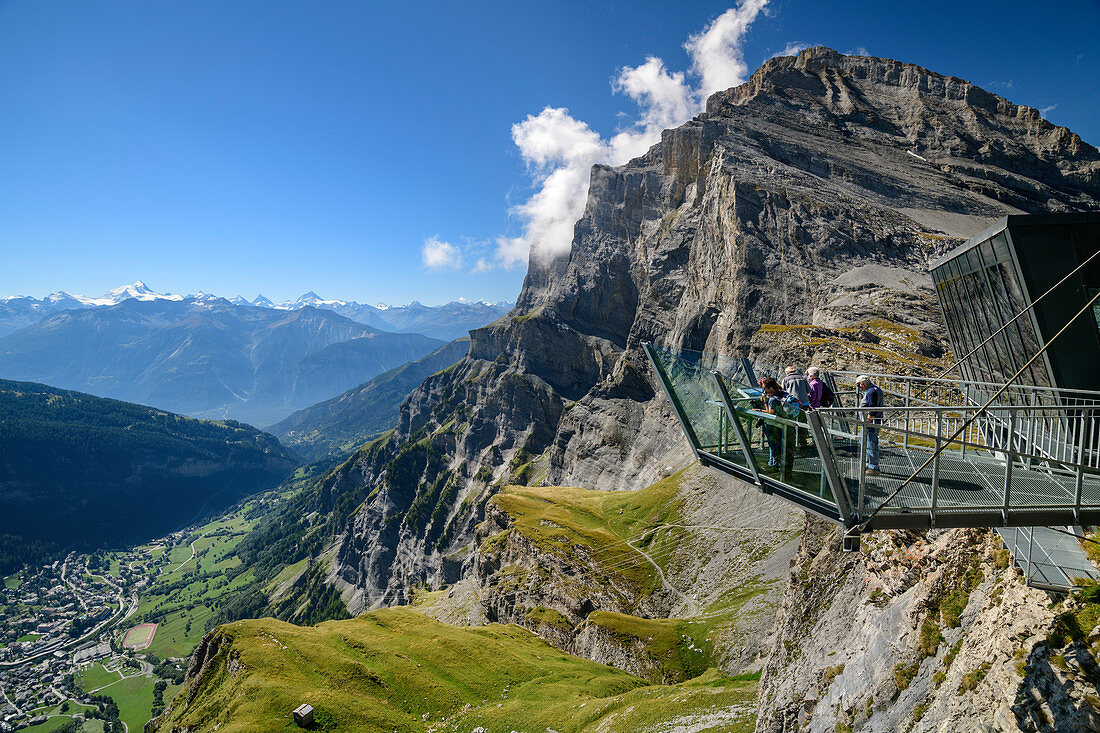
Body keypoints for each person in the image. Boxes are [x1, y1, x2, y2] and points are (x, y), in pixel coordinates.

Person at [760, 377, 799, 478]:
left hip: (776, 429)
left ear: (771, 389)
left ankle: (776, 469)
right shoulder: (784, 393)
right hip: (789, 426)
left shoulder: (773, 399)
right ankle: (787, 473)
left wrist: (764, 403)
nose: (764, 391)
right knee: (788, 451)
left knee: (776, 449)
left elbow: (771, 413)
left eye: (765, 389)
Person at [857, 375, 883, 475]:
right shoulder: (876, 389)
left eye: (859, 385)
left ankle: (873, 468)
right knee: (865, 443)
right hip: (872, 422)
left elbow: (872, 409)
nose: (859, 387)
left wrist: (867, 421)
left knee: (870, 445)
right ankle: (867, 464)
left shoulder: (871, 392)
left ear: (863, 384)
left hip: (870, 423)